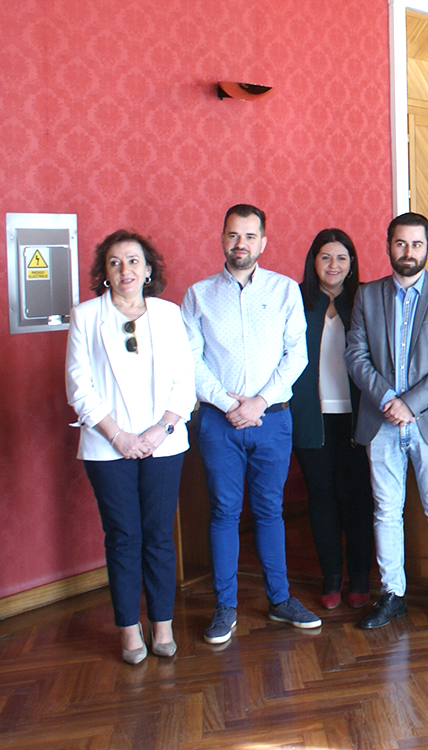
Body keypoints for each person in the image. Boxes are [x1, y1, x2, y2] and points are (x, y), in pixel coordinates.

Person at [183, 204, 320, 646]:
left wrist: (258, 401)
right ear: (222, 239)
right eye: (232, 235)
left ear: (263, 242)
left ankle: (280, 600)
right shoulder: (199, 295)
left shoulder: (284, 291)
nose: (240, 244)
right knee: (224, 512)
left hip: (273, 420)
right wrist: (228, 404)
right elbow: (191, 359)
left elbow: (296, 355)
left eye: (249, 236)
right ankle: (225, 607)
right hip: (219, 423)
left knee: (270, 511)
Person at [66, 230, 194, 662]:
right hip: (108, 448)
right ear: (105, 271)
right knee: (123, 537)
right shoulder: (85, 316)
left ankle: (161, 624)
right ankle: (127, 628)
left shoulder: (168, 314)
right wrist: (119, 435)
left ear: (148, 269)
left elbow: (185, 381)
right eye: (116, 262)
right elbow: (79, 388)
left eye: (134, 261)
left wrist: (160, 430)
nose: (126, 270)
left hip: (163, 442)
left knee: (158, 536)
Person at [346, 212, 428, 631]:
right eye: (401, 244)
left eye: (417, 245)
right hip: (380, 421)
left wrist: (410, 404)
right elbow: (355, 356)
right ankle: (392, 593)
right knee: (385, 510)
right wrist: (386, 399)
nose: (408, 252)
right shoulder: (367, 295)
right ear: (388, 246)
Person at [290, 229, 374, 611]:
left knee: (357, 498)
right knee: (321, 498)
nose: (333, 265)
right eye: (325, 258)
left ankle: (359, 577)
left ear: (351, 263)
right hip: (312, 417)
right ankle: (331, 576)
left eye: (341, 258)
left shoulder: (365, 300)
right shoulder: (295, 300)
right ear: (314, 262)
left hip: (357, 417)